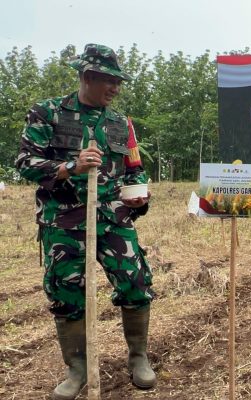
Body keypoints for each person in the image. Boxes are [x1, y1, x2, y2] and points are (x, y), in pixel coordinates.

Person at [15, 44, 156, 399]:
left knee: (135, 283)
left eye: (118, 82)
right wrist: (68, 167)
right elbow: (24, 162)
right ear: (87, 76)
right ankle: (76, 369)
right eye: (110, 81)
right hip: (63, 221)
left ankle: (138, 357)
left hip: (112, 219)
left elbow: (133, 170)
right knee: (66, 293)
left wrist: (138, 197)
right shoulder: (47, 113)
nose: (116, 89)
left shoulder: (121, 124)